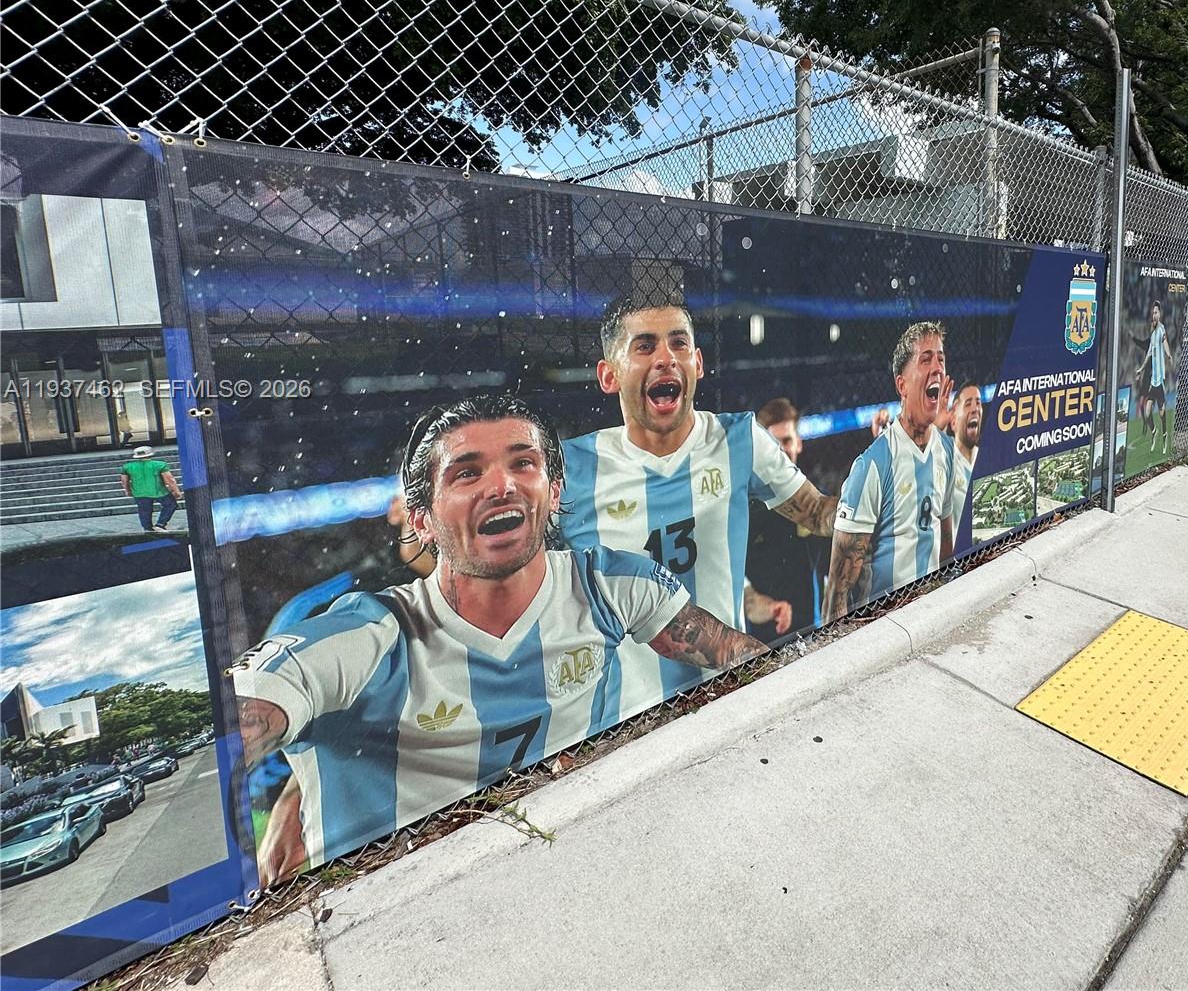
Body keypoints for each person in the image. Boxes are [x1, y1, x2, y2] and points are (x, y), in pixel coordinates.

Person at [227, 394, 765, 883]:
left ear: (555, 492)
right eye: (467, 472)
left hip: (584, 879)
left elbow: (746, 659)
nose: (501, 484)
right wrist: (292, 787)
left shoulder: (611, 586)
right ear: (420, 520)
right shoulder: (364, 637)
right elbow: (240, 727)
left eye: (523, 463)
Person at [560, 292, 837, 704]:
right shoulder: (569, 471)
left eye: (679, 343)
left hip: (731, 695)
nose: (666, 357)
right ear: (609, 375)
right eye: (644, 346)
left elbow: (817, 512)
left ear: (698, 363)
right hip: (628, 720)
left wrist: (877, 487)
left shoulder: (740, 439)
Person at [826, 321, 958, 621]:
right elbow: (838, 590)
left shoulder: (947, 451)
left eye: (941, 359)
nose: (937, 368)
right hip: (886, 625)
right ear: (902, 385)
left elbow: (945, 538)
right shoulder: (872, 465)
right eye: (926, 359)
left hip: (933, 613)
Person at [744, 398, 831, 642]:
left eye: (787, 441)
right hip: (765, 642)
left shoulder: (818, 501)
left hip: (815, 630)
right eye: (774, 444)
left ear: (799, 443)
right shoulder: (746, 511)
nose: (781, 451)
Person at [1133, 300, 1178, 456]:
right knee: (1147, 413)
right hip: (1154, 381)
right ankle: (1154, 432)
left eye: (1156, 312)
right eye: (1153, 313)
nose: (1154, 315)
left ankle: (1165, 438)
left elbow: (1165, 342)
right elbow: (1148, 355)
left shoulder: (1161, 329)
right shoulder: (1152, 335)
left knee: (1162, 413)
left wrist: (1169, 354)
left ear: (1160, 314)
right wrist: (1141, 369)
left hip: (1161, 381)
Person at [119, 445, 182, 532]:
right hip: (159, 491)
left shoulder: (127, 466)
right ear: (150, 454)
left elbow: (124, 481)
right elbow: (169, 479)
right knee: (171, 505)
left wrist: (128, 490)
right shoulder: (160, 465)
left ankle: (147, 528)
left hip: (139, 492)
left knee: (144, 510)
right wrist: (176, 491)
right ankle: (160, 524)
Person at [949, 382, 983, 514]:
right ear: (953, 421)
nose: (975, 409)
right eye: (968, 404)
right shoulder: (944, 460)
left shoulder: (987, 458)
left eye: (978, 403)